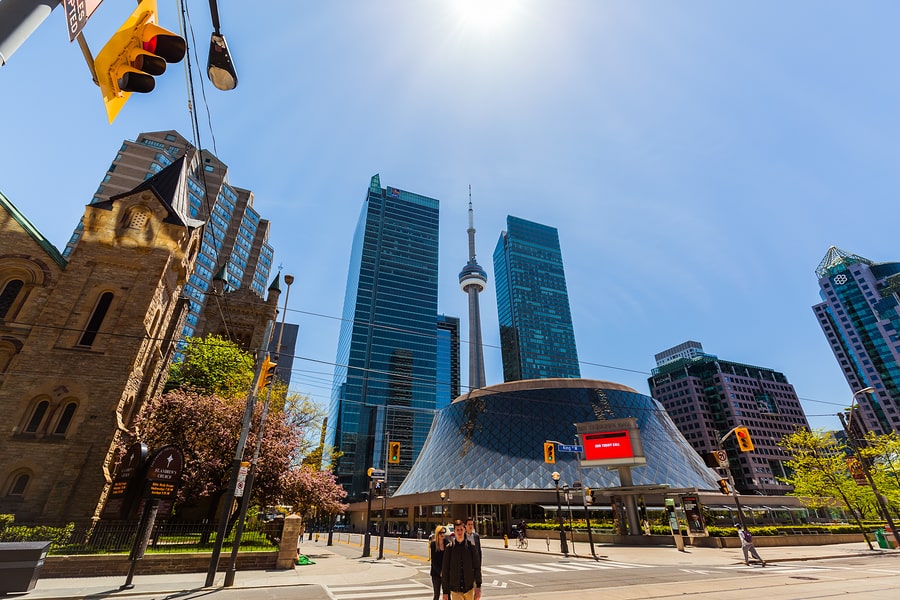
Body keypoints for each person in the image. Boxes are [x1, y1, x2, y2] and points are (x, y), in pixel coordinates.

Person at [442, 519, 482, 600]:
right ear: (454, 531)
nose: (459, 532)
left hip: (469, 589)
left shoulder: (471, 547)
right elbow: (445, 570)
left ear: (464, 530)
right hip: (455, 590)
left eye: (461, 529)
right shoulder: (449, 548)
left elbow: (477, 567)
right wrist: (445, 591)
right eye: (457, 530)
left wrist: (478, 586)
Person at [429, 525, 448, 600]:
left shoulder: (447, 543)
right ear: (437, 534)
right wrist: (440, 572)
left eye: (443, 532)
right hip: (436, 573)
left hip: (445, 573)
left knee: (447, 594)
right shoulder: (433, 545)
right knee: (436, 594)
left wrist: (445, 572)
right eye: (440, 533)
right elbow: (433, 561)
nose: (442, 534)